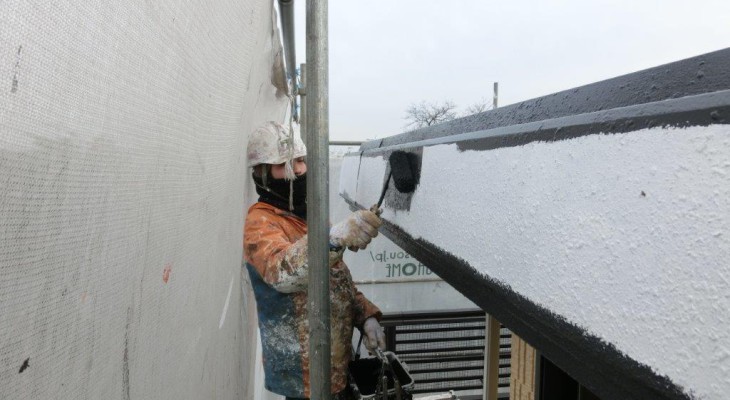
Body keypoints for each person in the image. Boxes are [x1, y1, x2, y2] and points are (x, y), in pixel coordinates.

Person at [243, 121, 385, 400]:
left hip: (333, 368)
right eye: (283, 163)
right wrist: (333, 239)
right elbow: (281, 272)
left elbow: (335, 278)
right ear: (262, 173)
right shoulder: (260, 222)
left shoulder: (305, 216)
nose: (296, 169)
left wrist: (365, 315)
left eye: (299, 160)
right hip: (304, 378)